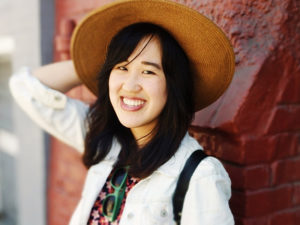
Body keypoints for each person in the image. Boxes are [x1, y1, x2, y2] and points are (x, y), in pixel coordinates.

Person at [9, 0, 235, 224]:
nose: (130, 85)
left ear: (173, 85)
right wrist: (95, 63)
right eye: (122, 68)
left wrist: (121, 64)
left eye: (148, 71)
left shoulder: (199, 176)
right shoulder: (104, 138)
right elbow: (24, 86)